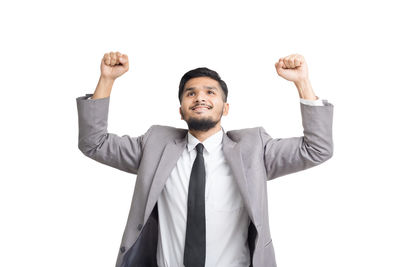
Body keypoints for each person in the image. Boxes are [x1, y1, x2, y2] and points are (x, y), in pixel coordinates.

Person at [76, 51, 334, 267]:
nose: (200, 97)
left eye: (210, 92)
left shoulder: (254, 149)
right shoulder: (155, 146)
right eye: (190, 93)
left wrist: (302, 83)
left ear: (226, 108)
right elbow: (94, 143)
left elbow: (316, 148)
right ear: (180, 111)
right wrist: (106, 80)